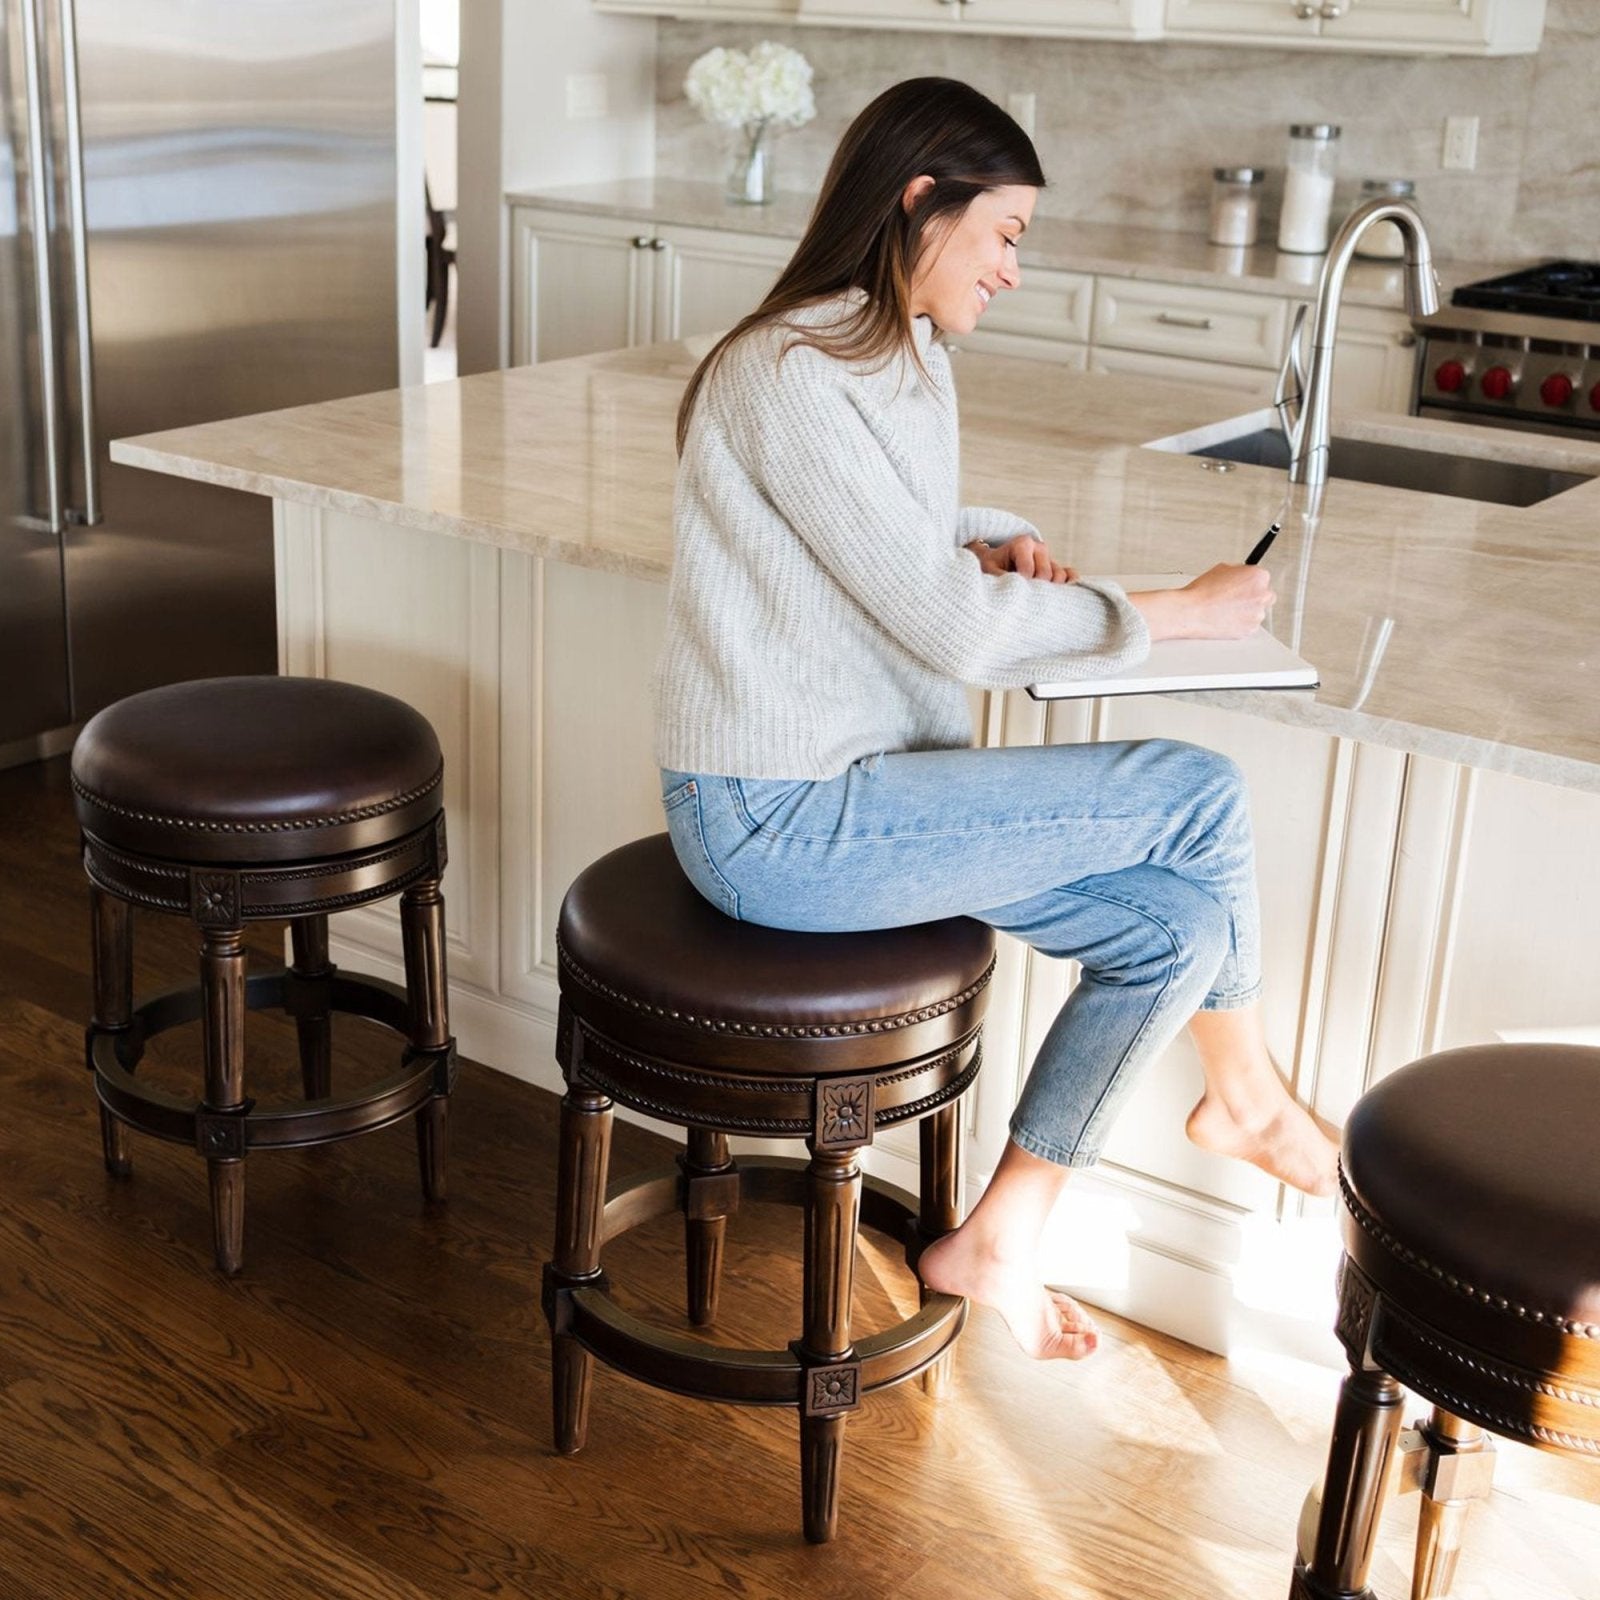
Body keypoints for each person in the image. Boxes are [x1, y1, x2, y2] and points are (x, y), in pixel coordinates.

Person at [653, 77, 1337, 1363]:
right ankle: (1246, 1103)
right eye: (1008, 232)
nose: (1015, 268)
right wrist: (1175, 612)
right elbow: (950, 627)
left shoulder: (895, 348)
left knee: (1178, 929)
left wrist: (983, 531)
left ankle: (997, 1236)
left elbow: (883, 535)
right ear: (921, 203)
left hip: (874, 791)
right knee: (1195, 791)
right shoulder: (784, 367)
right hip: (777, 816)